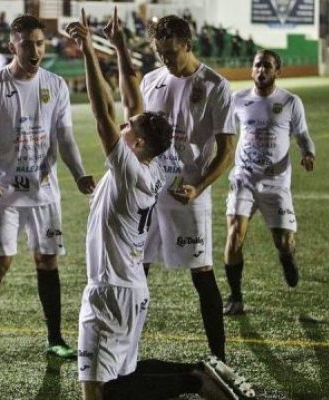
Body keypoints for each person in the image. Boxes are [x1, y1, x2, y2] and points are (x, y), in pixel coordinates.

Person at [66, 9, 253, 400]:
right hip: (129, 286)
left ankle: (199, 376)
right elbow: (132, 97)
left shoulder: (131, 169)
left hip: (111, 290)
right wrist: (117, 45)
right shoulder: (146, 167)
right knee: (119, 381)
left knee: (100, 392)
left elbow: (103, 113)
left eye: (130, 127)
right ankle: (197, 373)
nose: (125, 123)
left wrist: (87, 50)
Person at [0, 15, 96, 363]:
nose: (35, 50)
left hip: (45, 191)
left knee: (47, 260)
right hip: (4, 193)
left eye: (39, 43)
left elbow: (64, 136)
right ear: (12, 47)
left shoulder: (56, 85)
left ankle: (55, 338)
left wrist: (79, 174)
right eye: (26, 44)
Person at [140, 15, 236, 362]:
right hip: (149, 194)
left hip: (188, 194)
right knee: (138, 268)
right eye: (160, 53)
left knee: (202, 272)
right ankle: (125, 350)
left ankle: (219, 358)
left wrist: (198, 186)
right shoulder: (151, 81)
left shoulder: (215, 86)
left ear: (188, 45)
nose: (165, 60)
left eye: (171, 53)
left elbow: (227, 152)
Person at [222, 49, 315, 315]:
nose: (261, 70)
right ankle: (236, 297)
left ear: (277, 71)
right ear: (252, 70)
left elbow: (303, 135)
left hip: (276, 181)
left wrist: (308, 152)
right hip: (244, 177)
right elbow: (226, 136)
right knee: (234, 235)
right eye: (257, 65)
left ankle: (287, 259)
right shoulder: (237, 99)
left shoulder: (290, 102)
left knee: (284, 243)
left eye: (267, 66)